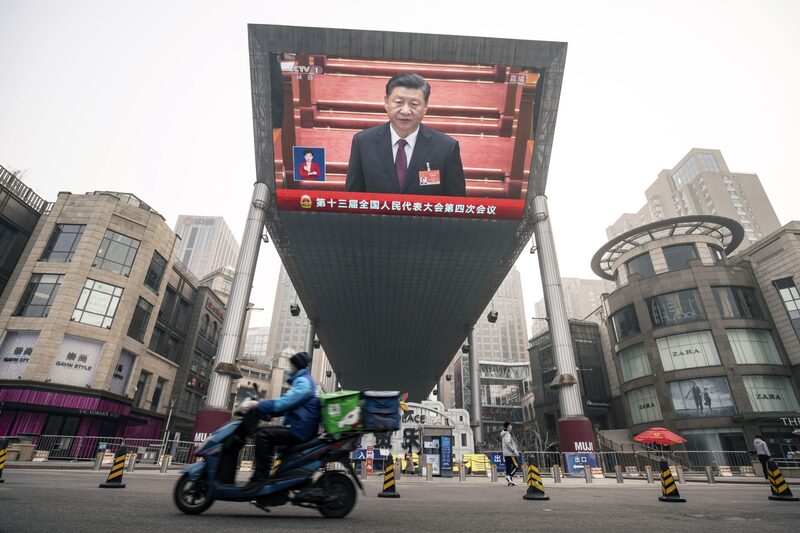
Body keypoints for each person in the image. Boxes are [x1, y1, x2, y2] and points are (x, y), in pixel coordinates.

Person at [345, 73, 466, 196]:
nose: (406, 111)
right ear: (386, 102)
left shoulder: (446, 148)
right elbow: (353, 198)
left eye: (414, 104)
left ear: (425, 106)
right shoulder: (363, 143)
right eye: (398, 102)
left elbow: (456, 204)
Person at [243, 351, 320, 490]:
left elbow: (285, 403)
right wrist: (267, 412)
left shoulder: (303, 383)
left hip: (300, 430)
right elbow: (287, 407)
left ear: (297, 366)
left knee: (262, 435)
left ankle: (260, 478)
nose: (289, 369)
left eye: (291, 366)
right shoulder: (303, 381)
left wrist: (258, 405)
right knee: (268, 435)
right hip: (301, 427)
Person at [500, 421, 519, 486]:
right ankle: (509, 476)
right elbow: (508, 443)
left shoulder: (504, 434)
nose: (511, 427)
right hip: (510, 453)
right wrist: (513, 450)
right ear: (508, 427)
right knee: (516, 466)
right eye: (510, 425)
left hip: (506, 453)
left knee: (508, 467)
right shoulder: (507, 434)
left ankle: (510, 482)